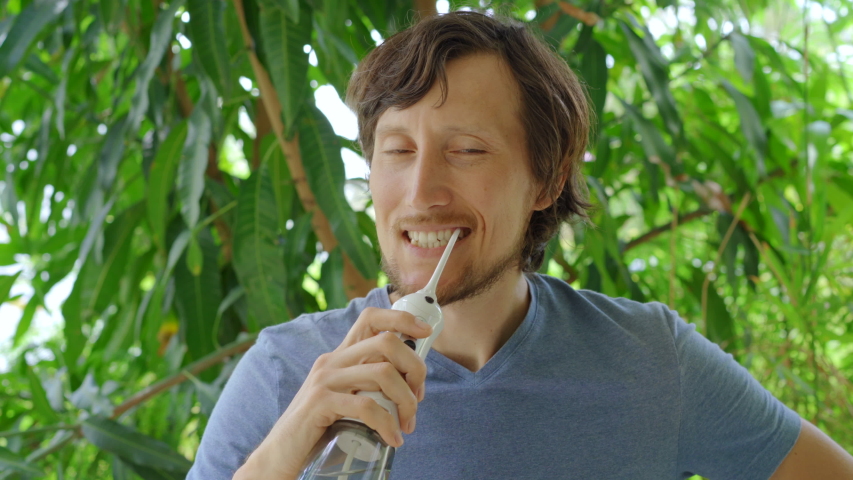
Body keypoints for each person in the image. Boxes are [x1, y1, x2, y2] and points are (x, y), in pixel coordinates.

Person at [188, 11, 853, 480]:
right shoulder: (285, 374)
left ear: (546, 177)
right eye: (397, 151)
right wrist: (281, 455)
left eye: (467, 150)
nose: (422, 190)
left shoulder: (650, 363)